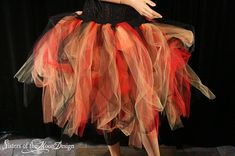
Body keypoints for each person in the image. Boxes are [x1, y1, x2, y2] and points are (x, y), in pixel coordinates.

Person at [14, 0, 216, 155]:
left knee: (143, 100)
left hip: (130, 29)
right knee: (106, 104)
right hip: (99, 32)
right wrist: (129, 1)